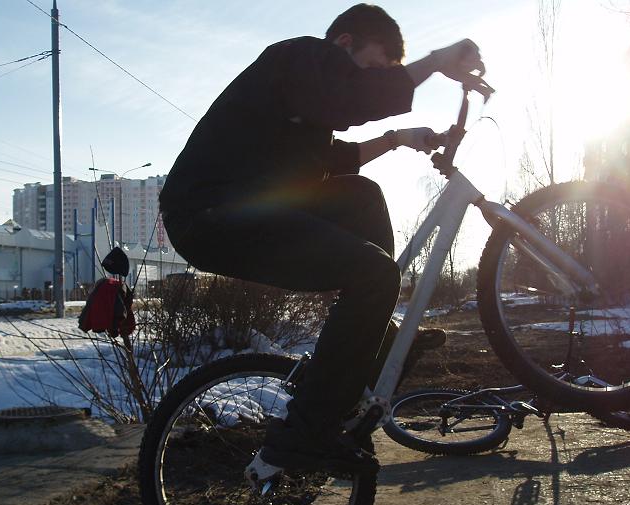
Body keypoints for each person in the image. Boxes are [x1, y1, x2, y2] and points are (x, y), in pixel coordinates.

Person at [159, 4, 490, 472]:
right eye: (372, 68)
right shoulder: (298, 57)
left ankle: (372, 342)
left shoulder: (303, 106)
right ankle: (305, 432)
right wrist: (435, 61)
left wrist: (397, 138)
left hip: (251, 206)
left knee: (362, 196)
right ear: (344, 43)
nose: (374, 84)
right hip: (210, 214)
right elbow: (348, 101)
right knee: (374, 274)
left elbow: (335, 159)